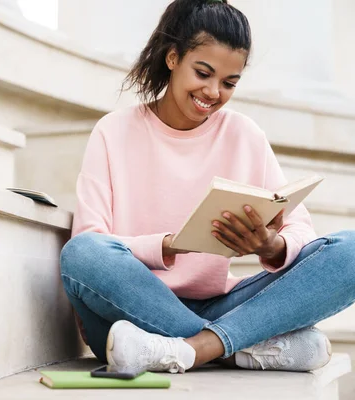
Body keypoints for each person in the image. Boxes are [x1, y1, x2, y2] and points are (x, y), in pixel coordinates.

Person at [60, 0, 355, 374]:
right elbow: (91, 239)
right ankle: (234, 347)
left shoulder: (243, 135)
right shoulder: (113, 132)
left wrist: (271, 245)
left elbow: (299, 228)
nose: (214, 92)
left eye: (229, 83)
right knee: (82, 254)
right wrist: (166, 246)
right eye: (203, 73)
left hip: (216, 305)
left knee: (352, 253)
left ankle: (188, 349)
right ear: (172, 58)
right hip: (132, 311)